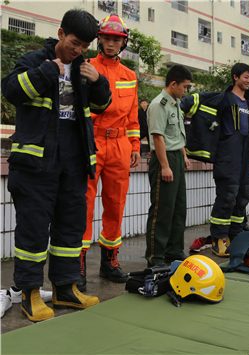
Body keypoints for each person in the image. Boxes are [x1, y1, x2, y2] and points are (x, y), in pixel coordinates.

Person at [1, 9, 109, 321]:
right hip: (35, 163)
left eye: (85, 46)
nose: (79, 50)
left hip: (74, 159)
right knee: (33, 230)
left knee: (71, 226)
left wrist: (98, 82)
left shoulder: (85, 68)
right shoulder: (34, 61)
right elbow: (10, 91)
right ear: (61, 33)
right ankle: (30, 293)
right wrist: (48, 72)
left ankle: (65, 289)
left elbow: (101, 106)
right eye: (75, 43)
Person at [80, 14, 141, 290]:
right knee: (84, 203)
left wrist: (136, 146)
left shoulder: (130, 76)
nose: (111, 43)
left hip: (119, 146)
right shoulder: (85, 66)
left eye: (117, 39)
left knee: (115, 205)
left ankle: (110, 262)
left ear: (123, 42)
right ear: (99, 39)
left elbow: (132, 118)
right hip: (91, 142)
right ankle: (77, 264)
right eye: (107, 38)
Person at [209, 63, 249, 257]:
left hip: (244, 155)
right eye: (246, 77)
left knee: (243, 195)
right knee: (227, 196)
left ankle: (235, 237)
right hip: (227, 154)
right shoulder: (224, 99)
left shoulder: (248, 102)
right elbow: (209, 120)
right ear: (235, 77)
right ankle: (218, 239)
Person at [145, 65, 192, 267]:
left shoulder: (175, 103)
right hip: (164, 159)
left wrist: (184, 154)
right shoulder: (159, 105)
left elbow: (176, 134)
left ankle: (174, 252)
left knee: (179, 209)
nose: (186, 91)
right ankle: (156, 257)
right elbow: (158, 137)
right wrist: (165, 166)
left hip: (177, 157)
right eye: (185, 86)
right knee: (162, 210)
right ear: (173, 84)